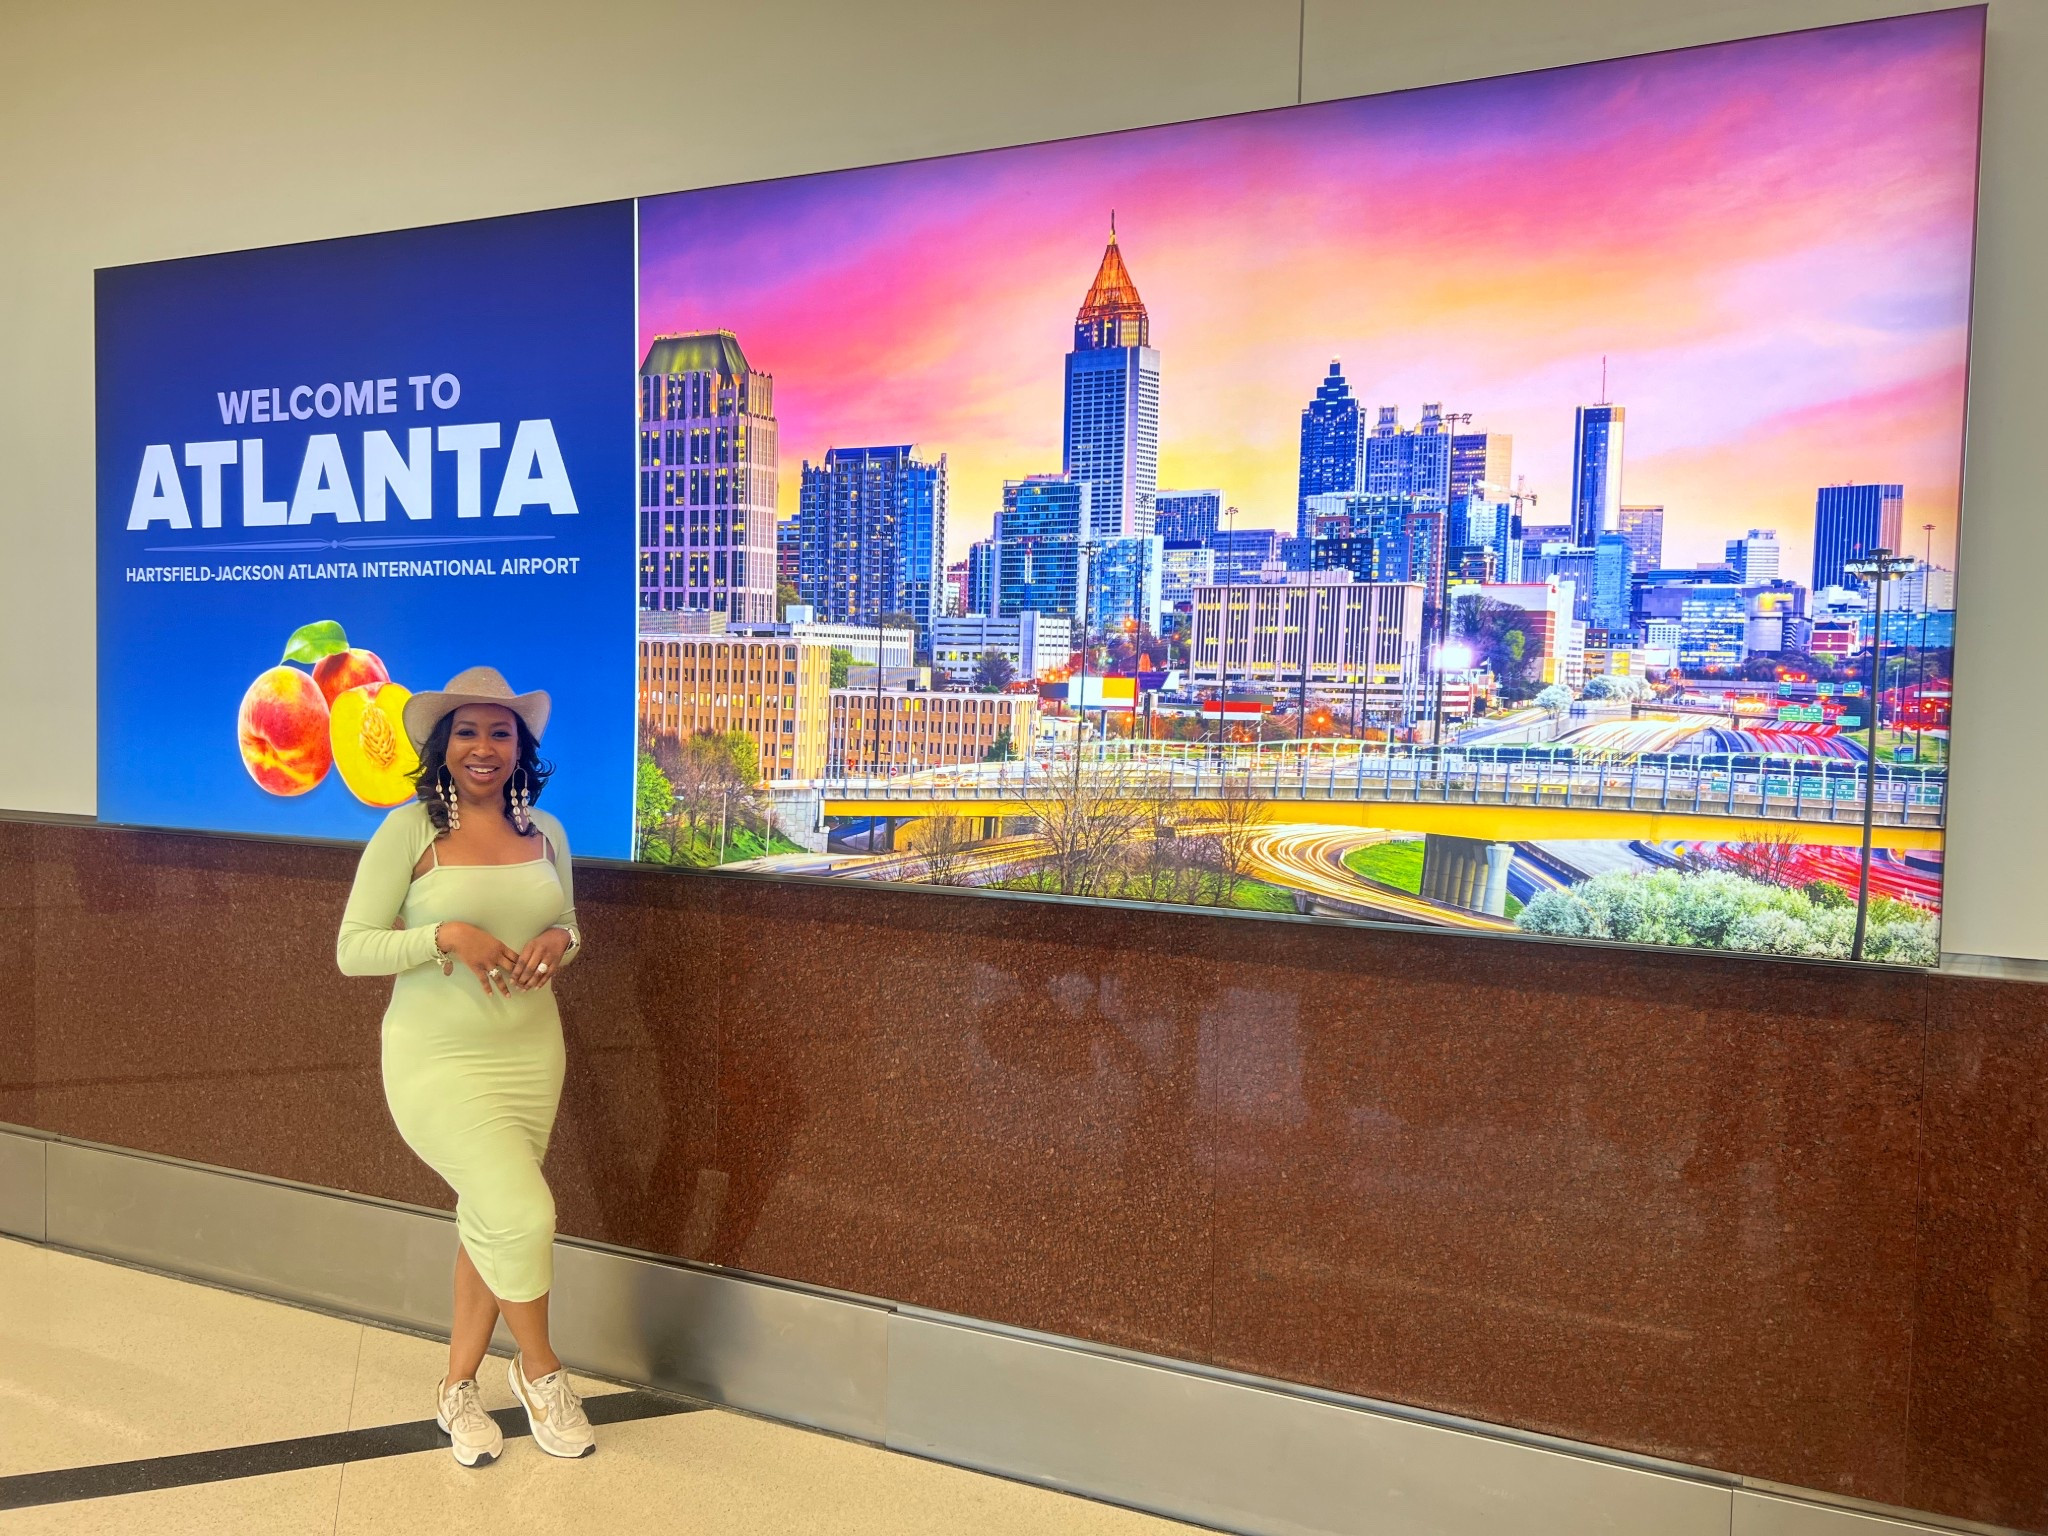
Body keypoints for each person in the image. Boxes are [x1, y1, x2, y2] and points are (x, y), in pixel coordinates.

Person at [336, 666, 593, 1467]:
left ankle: (456, 1391)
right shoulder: (408, 831)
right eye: (468, 732)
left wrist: (560, 941)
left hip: (528, 1054)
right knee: (524, 1216)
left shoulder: (545, 832)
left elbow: (571, 924)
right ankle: (542, 1372)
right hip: (436, 1060)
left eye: (501, 732)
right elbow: (352, 949)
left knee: (491, 1217)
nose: (484, 747)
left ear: (522, 747)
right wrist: (444, 935)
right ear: (443, 746)